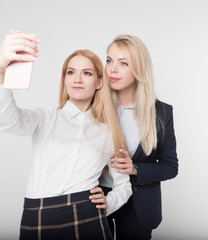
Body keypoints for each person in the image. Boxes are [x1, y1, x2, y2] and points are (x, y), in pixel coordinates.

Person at [0, 31, 132, 240]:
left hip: (87, 214)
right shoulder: (45, 117)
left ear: (99, 83)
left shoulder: (108, 132)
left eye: (87, 73)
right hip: (38, 215)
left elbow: (124, 184)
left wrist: (110, 202)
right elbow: (7, 121)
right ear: (64, 79)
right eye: (71, 72)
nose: (77, 79)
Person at [99, 35, 179, 240]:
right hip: (99, 198)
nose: (112, 69)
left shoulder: (161, 112)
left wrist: (134, 169)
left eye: (123, 63)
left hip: (139, 204)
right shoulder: (95, 106)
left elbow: (170, 166)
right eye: (109, 61)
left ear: (139, 69)